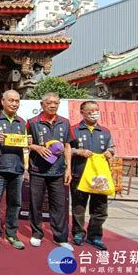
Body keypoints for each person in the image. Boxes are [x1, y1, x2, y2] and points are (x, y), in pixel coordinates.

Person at [26, 92, 74, 251]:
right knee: (36, 203)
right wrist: (36, 147)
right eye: (49, 103)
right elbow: (25, 143)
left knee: (59, 205)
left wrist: (68, 168)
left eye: (56, 103)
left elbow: (67, 145)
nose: (53, 106)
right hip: (37, 170)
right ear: (42, 104)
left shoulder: (65, 123)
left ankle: (61, 237)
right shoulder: (32, 122)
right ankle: (36, 234)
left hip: (58, 171)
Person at [0, 90, 26, 250]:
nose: (14, 104)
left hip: (17, 168)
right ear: (3, 101)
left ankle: (12, 234)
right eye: (11, 101)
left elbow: (25, 146)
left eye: (17, 101)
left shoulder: (22, 122)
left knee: (15, 203)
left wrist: (27, 142)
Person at [70, 101, 114, 250]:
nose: (94, 113)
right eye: (91, 111)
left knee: (100, 208)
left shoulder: (105, 131)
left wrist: (110, 152)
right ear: (82, 112)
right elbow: (66, 149)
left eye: (96, 110)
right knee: (78, 206)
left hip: (99, 177)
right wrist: (78, 152)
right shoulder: (74, 130)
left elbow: (112, 147)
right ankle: (78, 233)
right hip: (79, 174)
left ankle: (95, 235)